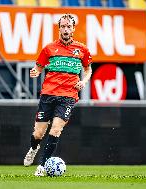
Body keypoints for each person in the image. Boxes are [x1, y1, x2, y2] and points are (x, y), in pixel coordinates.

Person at [23, 13, 92, 176]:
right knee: (38, 133)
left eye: (69, 26)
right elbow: (39, 66)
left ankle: (42, 165)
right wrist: (36, 71)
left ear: (73, 29)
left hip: (68, 96)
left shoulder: (82, 49)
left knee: (56, 129)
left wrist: (84, 81)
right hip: (48, 93)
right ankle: (34, 148)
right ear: (59, 28)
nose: (66, 29)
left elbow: (88, 69)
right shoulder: (49, 48)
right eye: (63, 26)